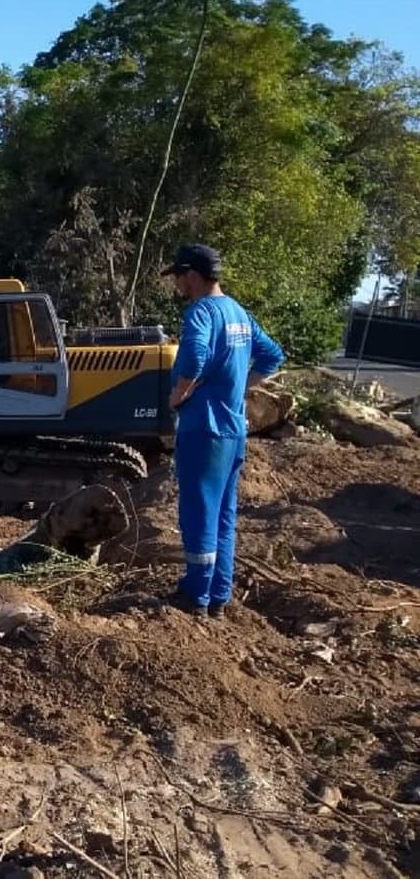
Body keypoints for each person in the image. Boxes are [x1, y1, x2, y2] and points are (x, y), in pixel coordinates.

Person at [162, 243, 285, 618]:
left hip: (204, 430)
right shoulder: (238, 314)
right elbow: (273, 355)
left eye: (179, 278)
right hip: (233, 431)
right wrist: (239, 387)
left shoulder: (201, 312)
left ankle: (196, 598)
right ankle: (218, 593)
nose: (178, 286)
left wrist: (178, 395)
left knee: (199, 512)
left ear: (193, 276)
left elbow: (196, 356)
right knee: (224, 515)